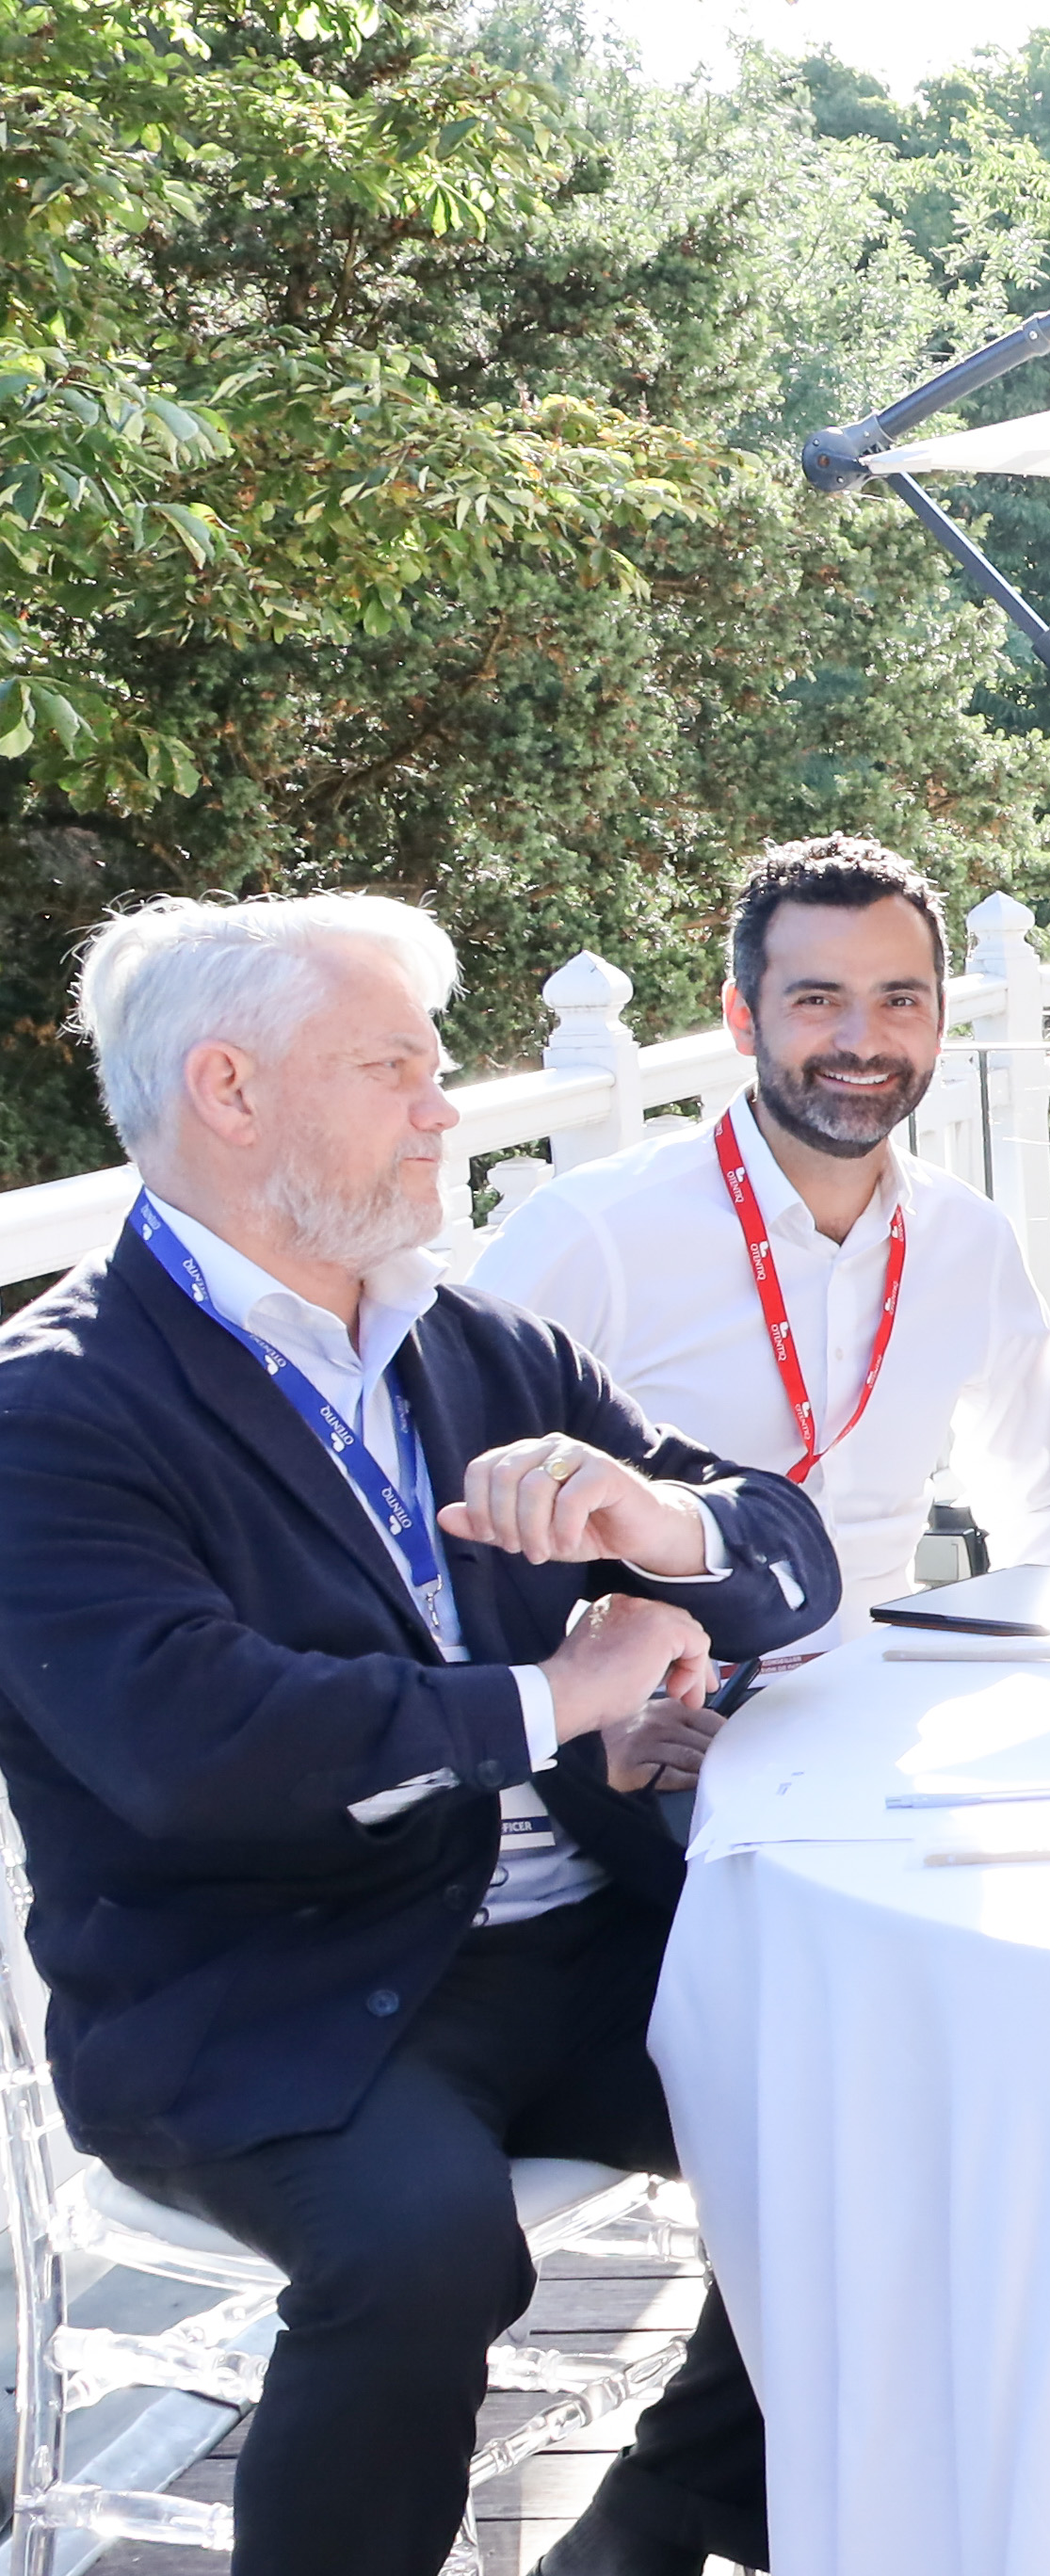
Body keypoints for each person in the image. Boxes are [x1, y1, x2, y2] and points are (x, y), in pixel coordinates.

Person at [0, 894, 841, 2576]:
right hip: (266, 1988)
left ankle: (653, 2525)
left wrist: (659, 1525)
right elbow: (196, 1746)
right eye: (393, 1068)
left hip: (575, 1935)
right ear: (230, 1091)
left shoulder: (478, 1348)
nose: (444, 1110)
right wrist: (563, 1696)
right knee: (422, 2252)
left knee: (893, 2095)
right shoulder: (54, 1405)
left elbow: (789, 1560)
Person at [473, 838, 1050, 1646]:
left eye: (899, 1000)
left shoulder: (967, 1237)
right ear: (742, 1017)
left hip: (891, 1691)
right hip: (674, 1703)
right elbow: (459, 1513)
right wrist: (587, 1700)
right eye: (817, 999)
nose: (862, 1041)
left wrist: (1049, 1667)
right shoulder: (590, 1234)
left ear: (941, 1021)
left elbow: (1044, 1501)